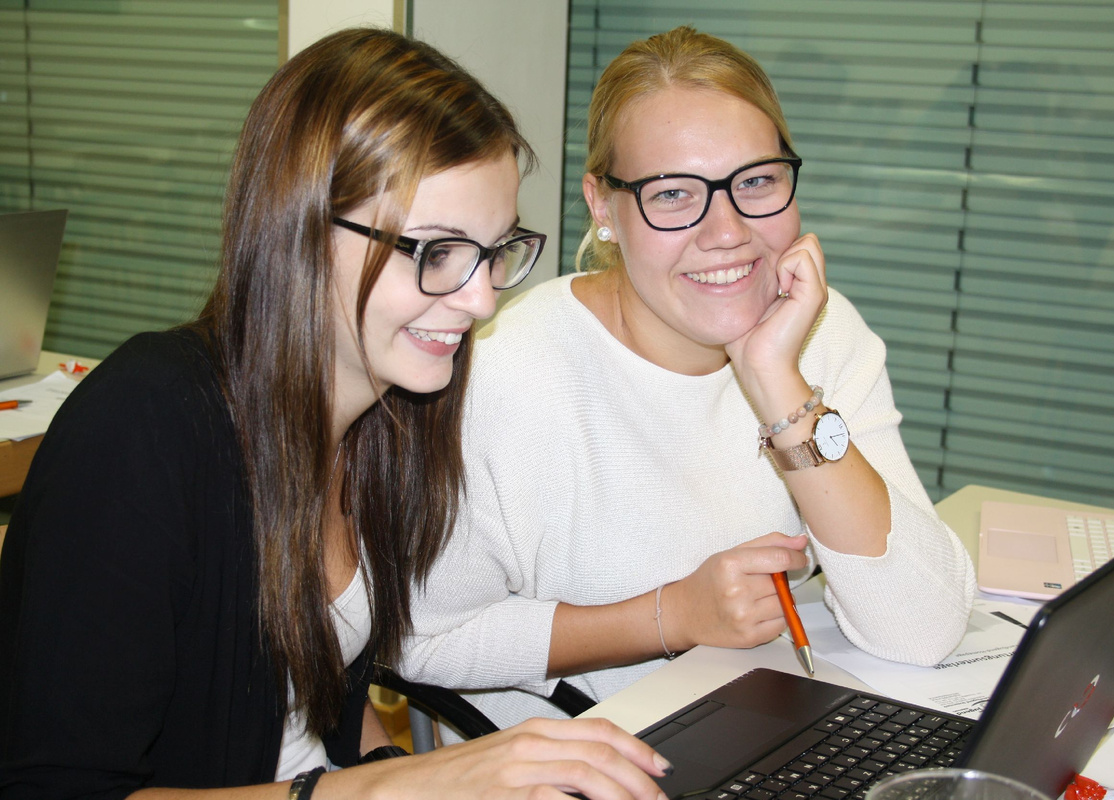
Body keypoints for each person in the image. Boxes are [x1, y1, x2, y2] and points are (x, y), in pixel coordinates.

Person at [0, 28, 672, 800]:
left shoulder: (389, 425)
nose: (481, 300)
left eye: (493, 253)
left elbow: (318, 706)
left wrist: (406, 775)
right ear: (301, 231)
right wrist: (401, 788)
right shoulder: (143, 428)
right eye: (438, 253)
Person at [399, 26, 977, 733]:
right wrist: (669, 616)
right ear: (603, 208)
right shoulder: (500, 370)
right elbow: (424, 641)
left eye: (756, 181)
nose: (727, 230)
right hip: (580, 757)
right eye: (673, 193)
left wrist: (776, 381)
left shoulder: (819, 331)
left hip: (764, 731)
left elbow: (922, 629)